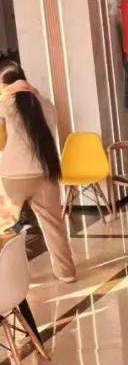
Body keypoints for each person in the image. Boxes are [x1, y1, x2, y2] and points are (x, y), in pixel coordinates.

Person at [0, 63, 76, 282]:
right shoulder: (46, 104)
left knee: (3, 226)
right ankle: (67, 273)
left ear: (4, 84)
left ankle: (8, 279)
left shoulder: (3, 104)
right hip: (45, 172)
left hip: (13, 176)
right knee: (53, 225)